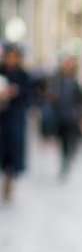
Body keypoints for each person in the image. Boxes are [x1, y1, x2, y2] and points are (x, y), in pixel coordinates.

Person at [0, 44, 31, 202]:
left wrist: (16, 93)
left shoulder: (23, 75)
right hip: (2, 118)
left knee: (13, 150)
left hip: (15, 118)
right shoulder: (2, 72)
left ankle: (10, 180)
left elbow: (28, 97)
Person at [48, 55, 82, 176]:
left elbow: (81, 100)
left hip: (71, 117)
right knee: (61, 140)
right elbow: (49, 96)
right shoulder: (57, 80)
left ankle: (68, 158)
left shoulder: (76, 81)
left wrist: (81, 115)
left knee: (70, 140)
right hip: (59, 116)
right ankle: (64, 160)